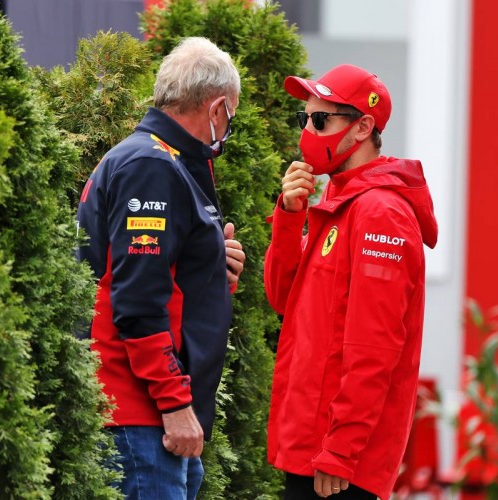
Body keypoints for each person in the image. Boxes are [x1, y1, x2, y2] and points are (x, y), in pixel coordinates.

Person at [76, 37, 245, 499]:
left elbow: (156, 278)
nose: (227, 129)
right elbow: (137, 301)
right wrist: (174, 404)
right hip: (140, 418)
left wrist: (213, 270)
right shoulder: (151, 166)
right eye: (230, 116)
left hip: (146, 417)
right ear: (216, 109)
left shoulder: (152, 159)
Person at [264, 64, 438, 500]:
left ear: (362, 127)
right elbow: (284, 299)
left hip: (340, 465)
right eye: (304, 118)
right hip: (310, 448)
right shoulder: (338, 200)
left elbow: (375, 347)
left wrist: (341, 449)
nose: (307, 132)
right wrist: (290, 217)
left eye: (320, 120)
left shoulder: (380, 213)